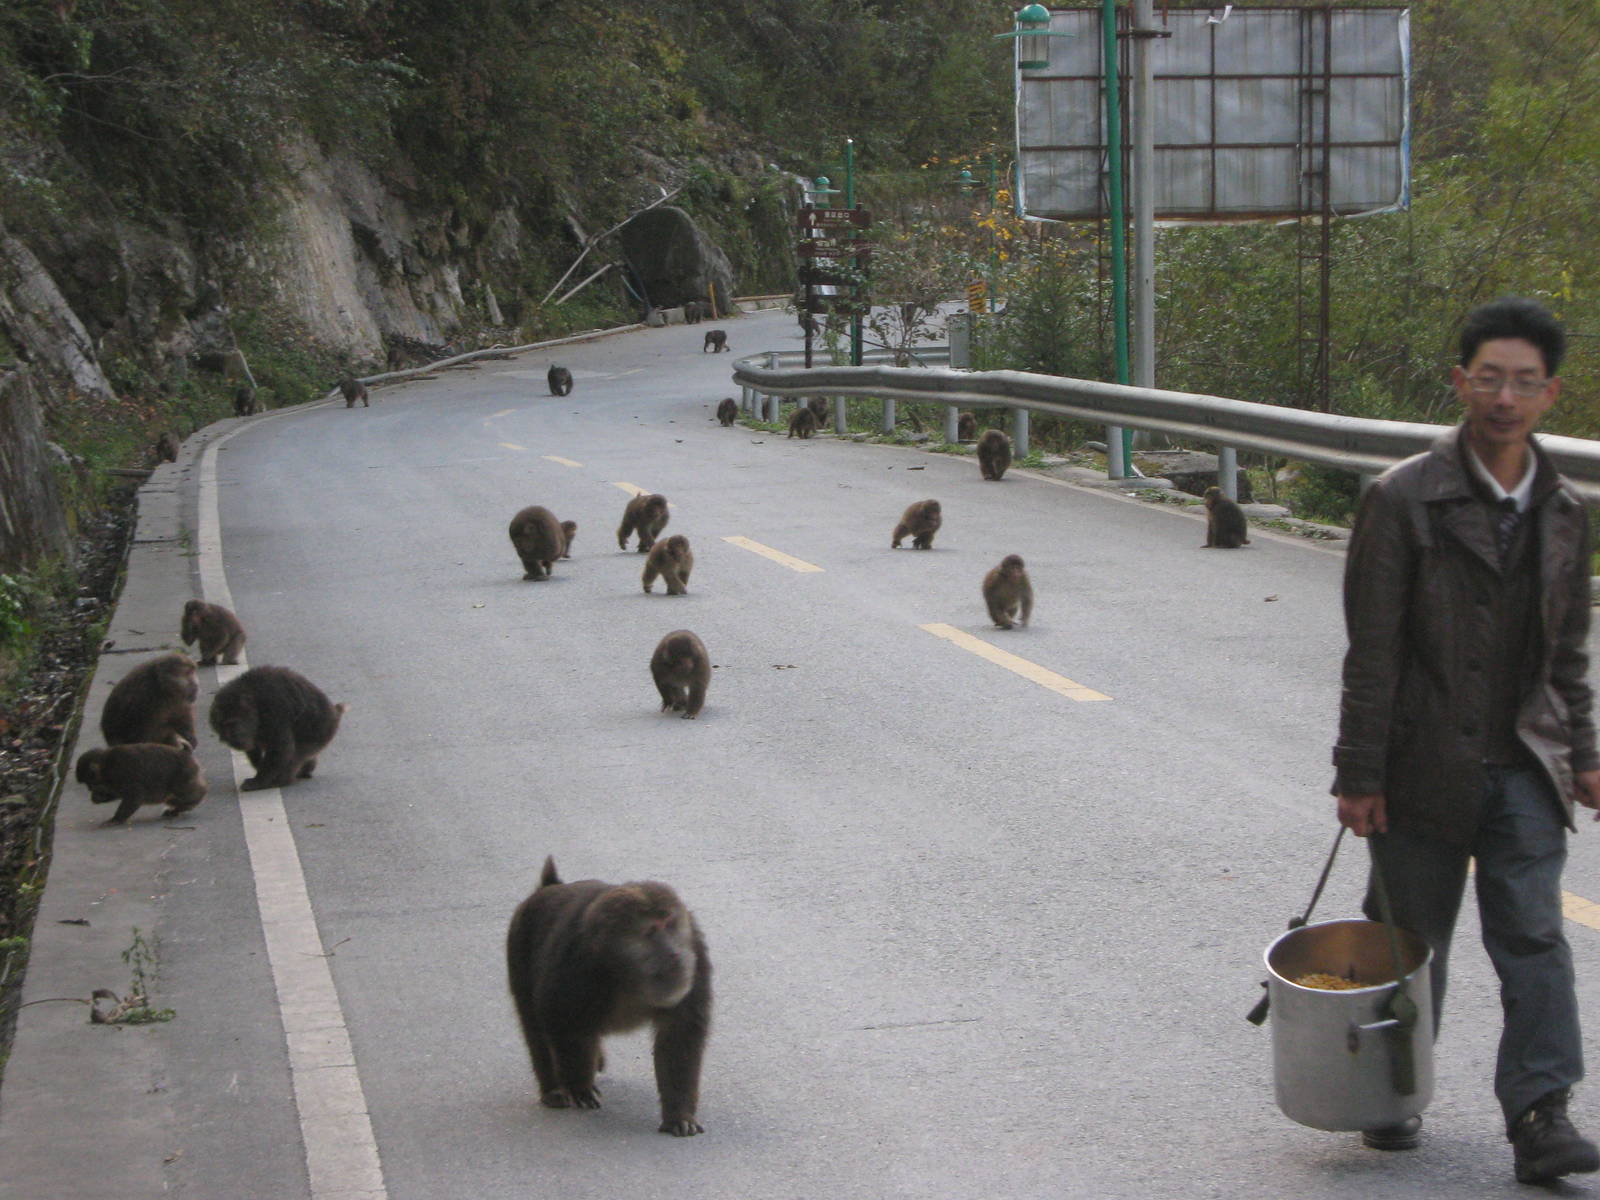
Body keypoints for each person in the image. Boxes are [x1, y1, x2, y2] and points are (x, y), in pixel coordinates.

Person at [1332, 296, 1600, 1183]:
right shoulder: (1403, 498)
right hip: (1418, 762)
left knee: (1533, 935)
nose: (1505, 398)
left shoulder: (1565, 510)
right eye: (1490, 378)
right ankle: (1393, 1093)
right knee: (1411, 938)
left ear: (1551, 394)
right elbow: (1373, 651)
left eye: (1525, 382)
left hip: (1525, 761)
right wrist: (1359, 772)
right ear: (1460, 382)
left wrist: (1586, 753)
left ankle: (1540, 1111)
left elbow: (1567, 649)